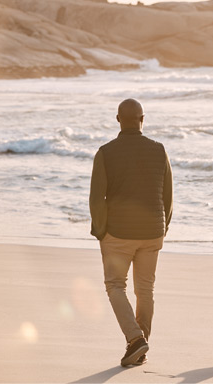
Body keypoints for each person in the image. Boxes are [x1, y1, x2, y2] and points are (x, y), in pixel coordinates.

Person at [89, 98, 173, 367]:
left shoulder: (105, 152)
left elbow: (96, 198)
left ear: (118, 120)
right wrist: (164, 225)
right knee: (145, 289)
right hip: (152, 232)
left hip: (118, 232)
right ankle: (141, 345)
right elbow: (168, 194)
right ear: (142, 119)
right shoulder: (159, 150)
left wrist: (100, 230)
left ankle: (135, 339)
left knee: (115, 285)